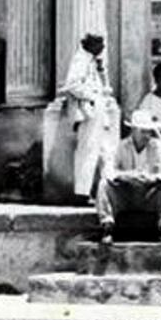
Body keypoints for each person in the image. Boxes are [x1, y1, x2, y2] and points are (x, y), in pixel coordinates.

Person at [96, 111, 161, 246]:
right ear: (133, 130)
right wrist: (127, 176)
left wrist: (152, 178)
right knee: (104, 185)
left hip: (149, 195)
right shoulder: (120, 146)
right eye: (143, 131)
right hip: (126, 195)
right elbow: (107, 171)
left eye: (149, 131)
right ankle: (107, 227)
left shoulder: (158, 147)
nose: (147, 135)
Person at [56, 32, 121, 201]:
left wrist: (101, 71)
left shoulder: (92, 61)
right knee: (88, 150)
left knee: (105, 151)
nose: (103, 47)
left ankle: (108, 192)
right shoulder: (81, 60)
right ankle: (82, 192)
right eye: (99, 43)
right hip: (89, 111)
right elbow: (72, 84)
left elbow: (104, 86)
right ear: (89, 44)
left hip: (98, 110)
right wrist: (92, 96)